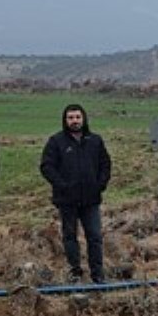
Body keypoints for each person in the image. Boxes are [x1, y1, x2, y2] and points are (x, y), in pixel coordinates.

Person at [40, 103, 111, 284]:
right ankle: (75, 273)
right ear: (65, 120)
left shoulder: (95, 141)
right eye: (71, 118)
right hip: (67, 200)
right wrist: (62, 185)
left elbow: (105, 164)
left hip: (91, 199)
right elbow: (47, 166)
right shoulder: (56, 141)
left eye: (78, 117)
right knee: (70, 237)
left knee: (94, 236)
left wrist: (99, 185)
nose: (74, 121)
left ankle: (97, 274)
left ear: (84, 118)